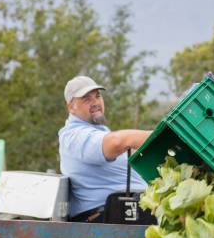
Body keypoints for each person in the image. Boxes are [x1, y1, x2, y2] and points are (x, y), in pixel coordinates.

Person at [59, 75, 151, 223]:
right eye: (86, 99)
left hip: (127, 211)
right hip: (104, 218)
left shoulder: (99, 131)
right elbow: (118, 142)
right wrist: (162, 137)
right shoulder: (73, 136)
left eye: (97, 96)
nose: (95, 102)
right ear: (71, 107)